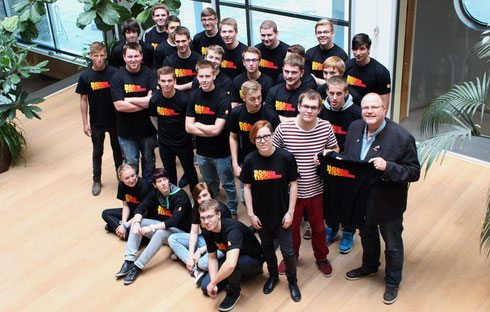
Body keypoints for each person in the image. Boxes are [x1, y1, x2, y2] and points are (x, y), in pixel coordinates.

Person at [342, 93, 420, 304]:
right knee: (367, 235)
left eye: (374, 107)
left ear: (384, 109)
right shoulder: (355, 128)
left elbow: (414, 172)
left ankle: (393, 282)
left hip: (388, 202)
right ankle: (369, 266)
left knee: (393, 244)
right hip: (362, 200)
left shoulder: (402, 137)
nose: (369, 111)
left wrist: (388, 167)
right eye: (366, 107)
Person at [273, 89, 339, 277]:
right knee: (291, 229)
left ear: (319, 109)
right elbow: (274, 154)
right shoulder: (284, 128)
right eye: (306, 106)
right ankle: (290, 257)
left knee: (318, 228)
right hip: (290, 192)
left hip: (317, 189)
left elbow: (335, 148)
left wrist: (326, 155)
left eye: (313, 107)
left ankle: (321, 257)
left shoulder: (326, 127)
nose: (309, 111)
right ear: (298, 107)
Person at [240, 120, 301, 302]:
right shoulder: (250, 160)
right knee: (267, 247)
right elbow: (247, 187)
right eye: (258, 137)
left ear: (273, 135)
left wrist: (291, 212)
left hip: (282, 214)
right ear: (253, 139)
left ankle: (292, 280)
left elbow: (294, 184)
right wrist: (250, 213)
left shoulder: (286, 157)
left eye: (266, 136)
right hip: (261, 216)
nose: (263, 140)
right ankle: (272, 276)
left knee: (288, 252)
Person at [115, 168, 192, 285]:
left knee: (160, 232)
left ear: (168, 180)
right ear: (154, 185)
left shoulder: (180, 196)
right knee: (140, 221)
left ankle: (138, 266)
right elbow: (141, 207)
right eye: (159, 181)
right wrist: (135, 223)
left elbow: (174, 221)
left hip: (180, 233)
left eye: (165, 180)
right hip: (164, 228)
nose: (163, 183)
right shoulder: (155, 193)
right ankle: (129, 260)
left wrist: (151, 228)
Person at [186, 60, 239, 218]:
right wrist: (208, 129)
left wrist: (198, 124)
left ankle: (231, 211)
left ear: (214, 75)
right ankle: (214, 210)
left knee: (228, 184)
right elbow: (188, 127)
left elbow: (217, 130)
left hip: (222, 152)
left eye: (207, 76)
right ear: (197, 76)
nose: (204, 80)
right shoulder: (194, 95)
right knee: (209, 185)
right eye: (201, 76)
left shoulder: (222, 97)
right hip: (202, 152)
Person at [318, 75, 362, 253]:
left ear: (346, 93)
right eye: (331, 93)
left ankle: (349, 231)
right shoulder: (322, 110)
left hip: (350, 163)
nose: (334, 98)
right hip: (328, 162)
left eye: (338, 94)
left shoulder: (357, 113)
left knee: (348, 200)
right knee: (330, 198)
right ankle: (331, 228)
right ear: (326, 92)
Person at [199, 199, 264, 311]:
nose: (206, 221)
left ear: (218, 215)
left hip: (253, 261)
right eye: (203, 218)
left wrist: (214, 282)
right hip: (232, 257)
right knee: (206, 287)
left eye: (210, 216)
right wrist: (213, 283)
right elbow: (212, 257)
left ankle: (233, 292)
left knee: (233, 265)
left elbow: (230, 264)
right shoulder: (207, 230)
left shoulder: (232, 230)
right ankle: (232, 276)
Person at [76, 41, 122, 196]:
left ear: (106, 55)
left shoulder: (115, 73)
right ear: (90, 56)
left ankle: (121, 177)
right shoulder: (85, 76)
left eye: (102, 55)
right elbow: (83, 99)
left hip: (115, 120)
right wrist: (85, 123)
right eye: (96, 56)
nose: (99, 59)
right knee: (97, 151)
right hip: (97, 122)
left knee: (118, 149)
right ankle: (96, 179)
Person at [110, 42, 158, 181]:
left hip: (148, 129)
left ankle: (149, 187)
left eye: (136, 56)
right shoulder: (117, 77)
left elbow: (154, 101)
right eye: (130, 56)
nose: (133, 59)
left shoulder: (149, 74)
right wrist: (145, 101)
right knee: (131, 163)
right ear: (124, 57)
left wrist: (129, 100)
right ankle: (135, 189)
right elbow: (119, 106)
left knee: (149, 160)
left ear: (141, 56)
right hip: (126, 132)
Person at [167, 182, 231, 284]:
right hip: (206, 240)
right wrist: (190, 256)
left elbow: (223, 238)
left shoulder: (221, 209)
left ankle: (201, 265)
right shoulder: (197, 209)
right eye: (199, 197)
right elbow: (193, 232)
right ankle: (195, 268)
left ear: (211, 194)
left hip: (220, 245)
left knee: (203, 263)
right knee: (172, 239)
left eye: (205, 195)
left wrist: (200, 251)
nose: (203, 199)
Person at [228, 81, 280, 204]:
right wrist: (235, 164)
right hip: (245, 160)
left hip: (267, 161)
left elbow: (278, 141)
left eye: (259, 97)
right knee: (245, 198)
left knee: (267, 197)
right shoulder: (236, 113)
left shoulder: (270, 115)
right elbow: (233, 137)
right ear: (244, 97)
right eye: (252, 99)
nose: (257, 102)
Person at [148, 66, 198, 193]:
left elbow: (190, 120)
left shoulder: (184, 99)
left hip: (183, 143)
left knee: (190, 170)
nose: (166, 84)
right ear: (158, 81)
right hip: (165, 144)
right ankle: (174, 197)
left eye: (169, 80)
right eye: (163, 81)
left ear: (175, 81)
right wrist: (161, 132)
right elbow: (153, 117)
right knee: (169, 173)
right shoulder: (154, 100)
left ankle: (195, 200)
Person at [101, 164, 153, 239]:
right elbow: (125, 205)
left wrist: (125, 225)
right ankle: (124, 232)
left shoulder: (144, 186)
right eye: (127, 178)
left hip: (144, 216)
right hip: (132, 212)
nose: (131, 180)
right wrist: (124, 223)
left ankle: (116, 228)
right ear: (121, 179)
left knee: (138, 232)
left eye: (133, 175)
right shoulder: (121, 185)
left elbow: (144, 212)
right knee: (106, 213)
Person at [345, 33, 391, 108]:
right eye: (355, 49)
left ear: (369, 49)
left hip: (369, 112)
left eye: (362, 49)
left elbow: (384, 104)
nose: (358, 53)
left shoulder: (381, 72)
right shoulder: (346, 66)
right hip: (349, 112)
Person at [265, 53, 310, 121]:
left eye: (294, 72)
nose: (289, 76)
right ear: (282, 70)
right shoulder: (273, 91)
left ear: (302, 73)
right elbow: (268, 116)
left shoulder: (308, 94)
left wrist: (278, 118)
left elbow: (306, 120)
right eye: (286, 71)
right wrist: (294, 120)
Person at [305, 19, 348, 85]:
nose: (322, 35)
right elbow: (306, 79)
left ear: (332, 33)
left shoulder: (341, 55)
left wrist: (316, 80)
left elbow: (342, 82)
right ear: (316, 35)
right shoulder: (310, 53)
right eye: (319, 32)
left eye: (325, 32)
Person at [163, 26, 202, 93]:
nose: (181, 44)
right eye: (178, 41)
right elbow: (169, 86)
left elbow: (203, 82)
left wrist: (179, 87)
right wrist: (192, 84)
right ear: (174, 42)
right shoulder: (168, 61)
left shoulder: (200, 59)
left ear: (189, 39)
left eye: (183, 41)